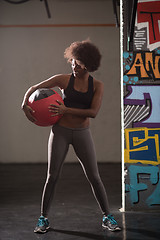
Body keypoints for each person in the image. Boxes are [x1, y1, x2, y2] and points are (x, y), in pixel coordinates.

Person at [21, 40, 121, 233]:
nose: (74, 66)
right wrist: (24, 104)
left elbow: (93, 112)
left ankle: (107, 217)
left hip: (82, 133)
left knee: (94, 176)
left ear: (88, 65)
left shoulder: (97, 85)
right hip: (61, 132)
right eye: (73, 62)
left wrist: (66, 109)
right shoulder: (64, 80)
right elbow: (34, 87)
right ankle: (43, 219)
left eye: (79, 63)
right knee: (52, 176)